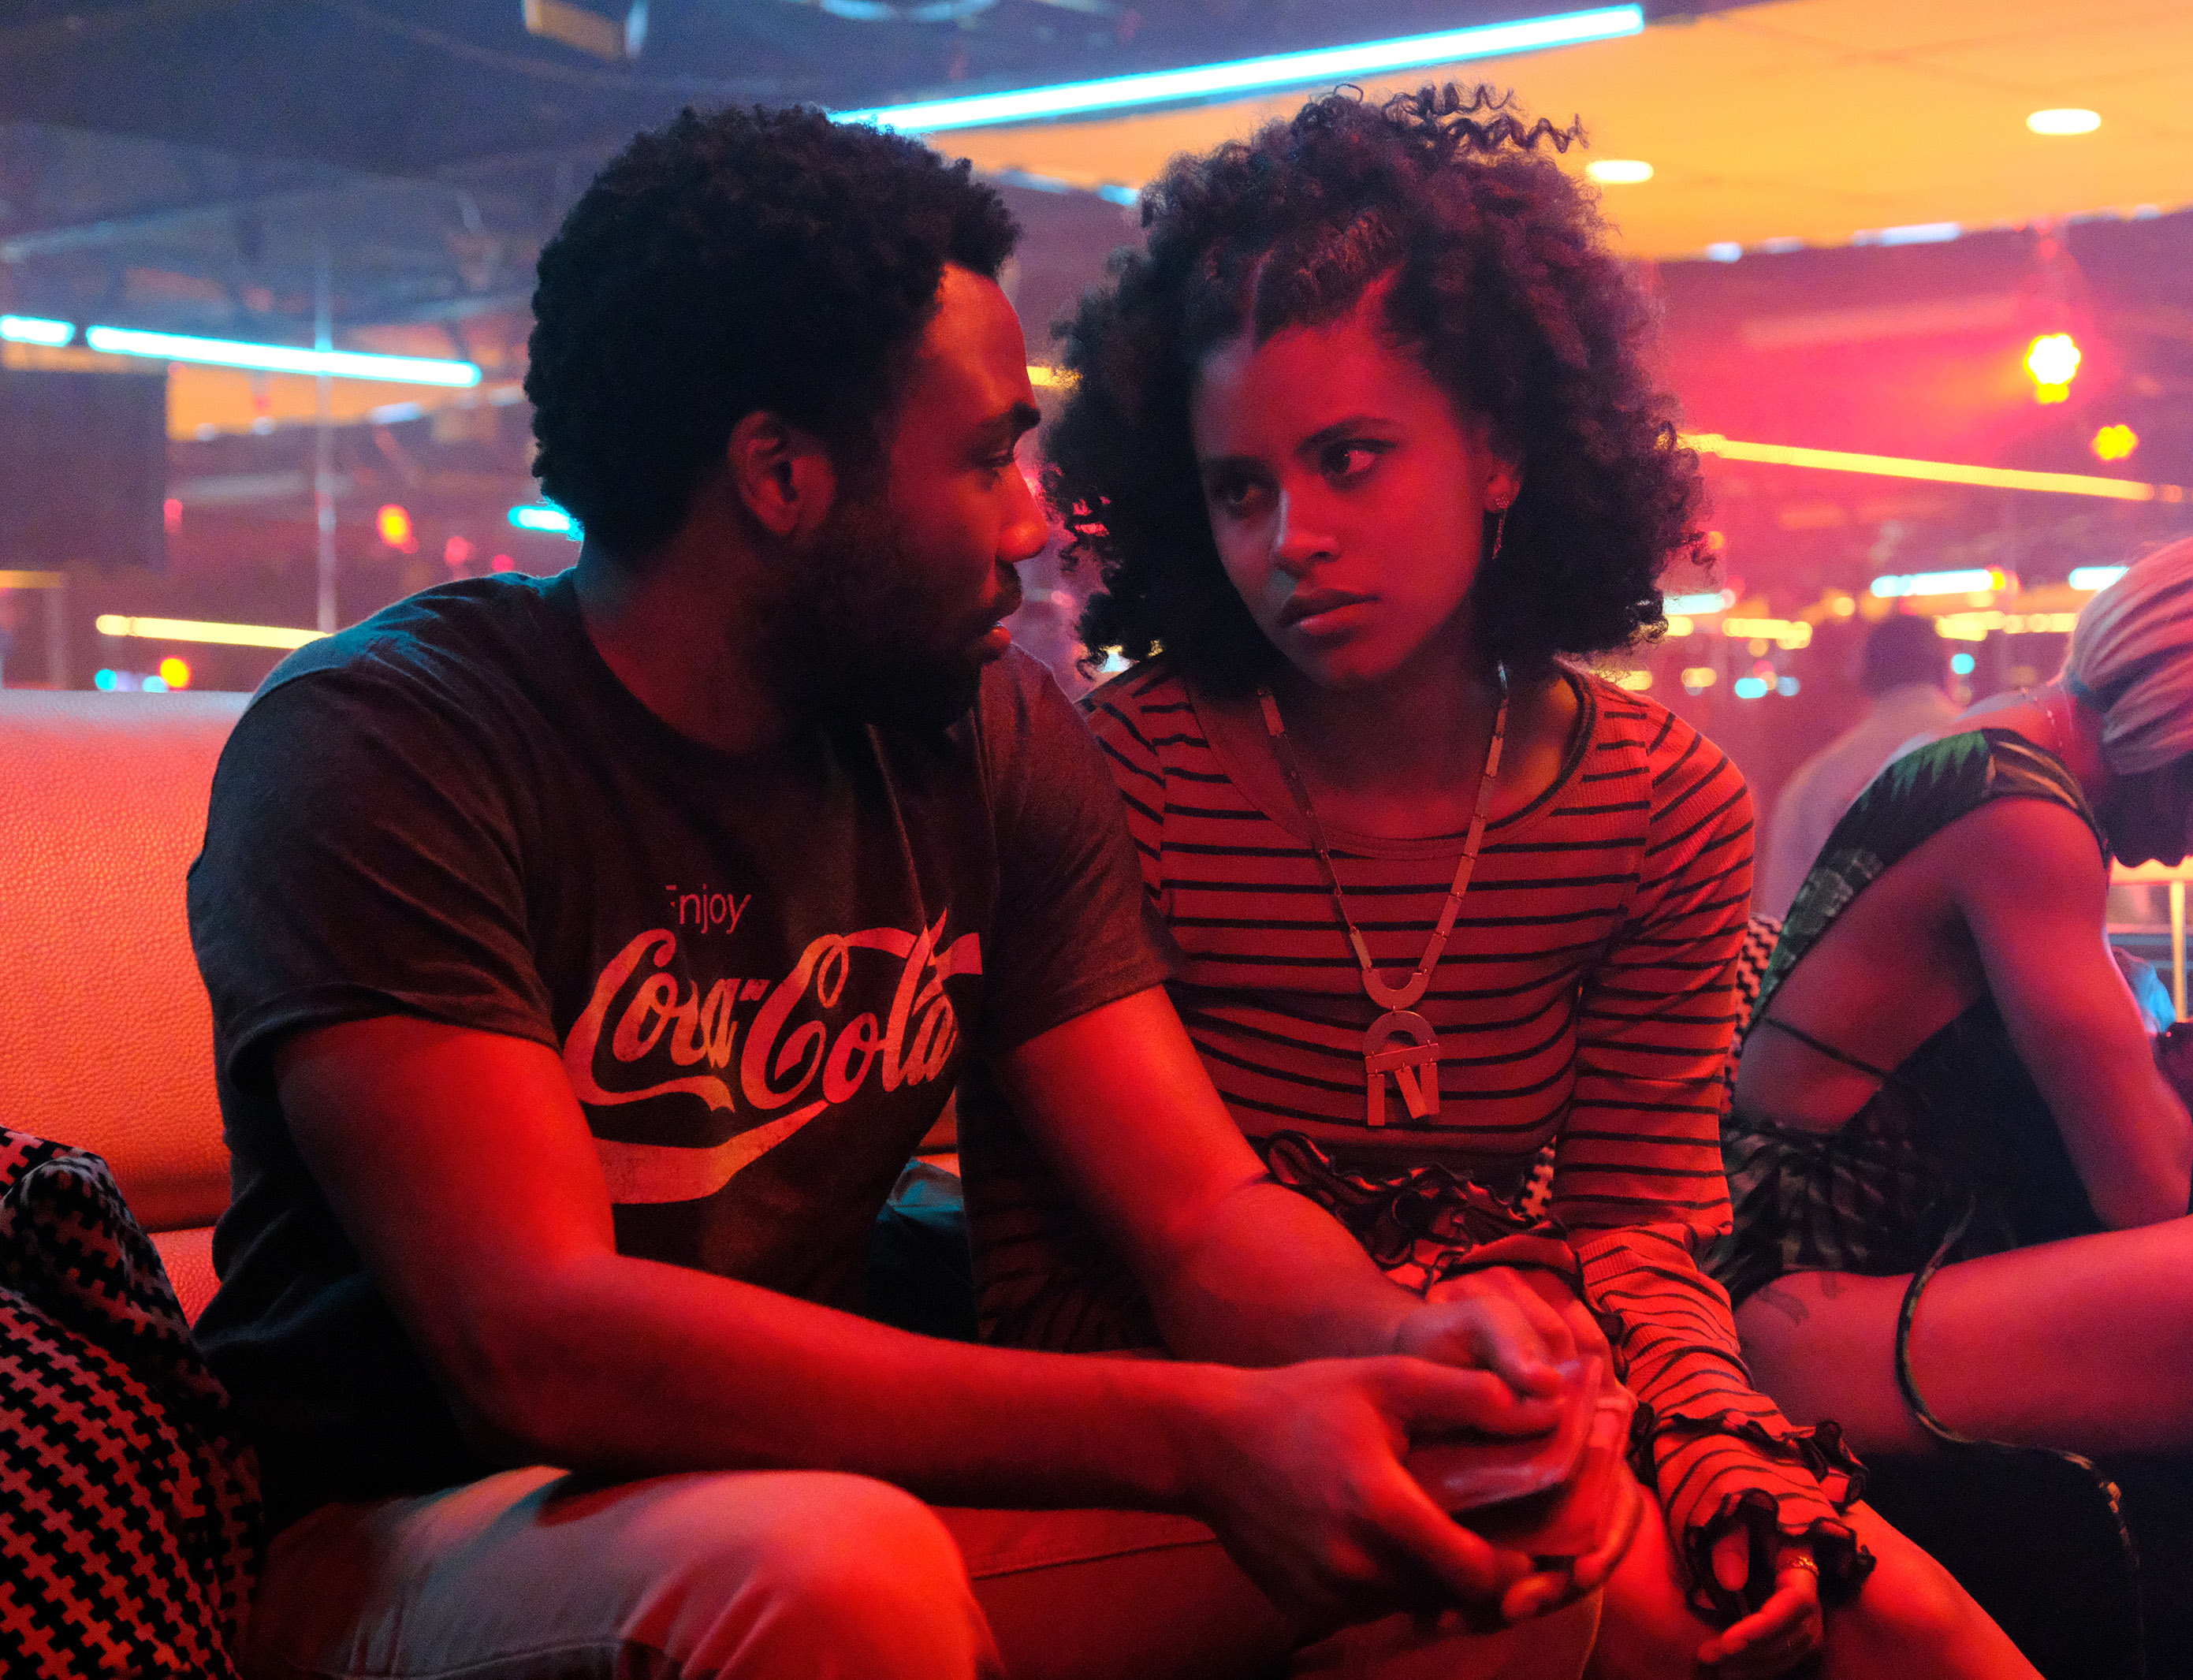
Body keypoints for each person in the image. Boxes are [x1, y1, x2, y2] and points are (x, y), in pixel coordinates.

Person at [185, 106, 1636, 1680]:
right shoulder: (391, 745)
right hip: (409, 1538)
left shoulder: (982, 735)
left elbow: (1198, 1213)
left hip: (810, 1498)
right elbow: (536, 1338)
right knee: (829, 1569)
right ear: (781, 474)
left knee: (1493, 1523)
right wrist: (1196, 1432)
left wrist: (1406, 1342)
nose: (1034, 521)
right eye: (986, 457)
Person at [996, 86, 2035, 1680]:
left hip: (1517, 1388)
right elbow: (1078, 1267)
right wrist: (1464, 1351)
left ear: (1498, 451)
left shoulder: (1659, 803)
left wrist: (1720, 1447)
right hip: (1191, 1425)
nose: (1293, 538)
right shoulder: (1116, 778)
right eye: (1240, 488)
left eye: (1351, 460)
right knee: (1640, 1596)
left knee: (1898, 1621)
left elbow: (1638, 1230)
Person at [1716, 524, 2193, 1673]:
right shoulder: (2026, 819)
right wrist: (2172, 1097)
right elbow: (2143, 1190)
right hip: (1817, 1318)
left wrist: (2170, 1086)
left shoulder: (1994, 755)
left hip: (1852, 1286)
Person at [1756, 614, 1960, 915]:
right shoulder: (2000, 754)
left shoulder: (1812, 782)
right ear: (1947, 672)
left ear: (1866, 679)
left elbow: (1778, 918)